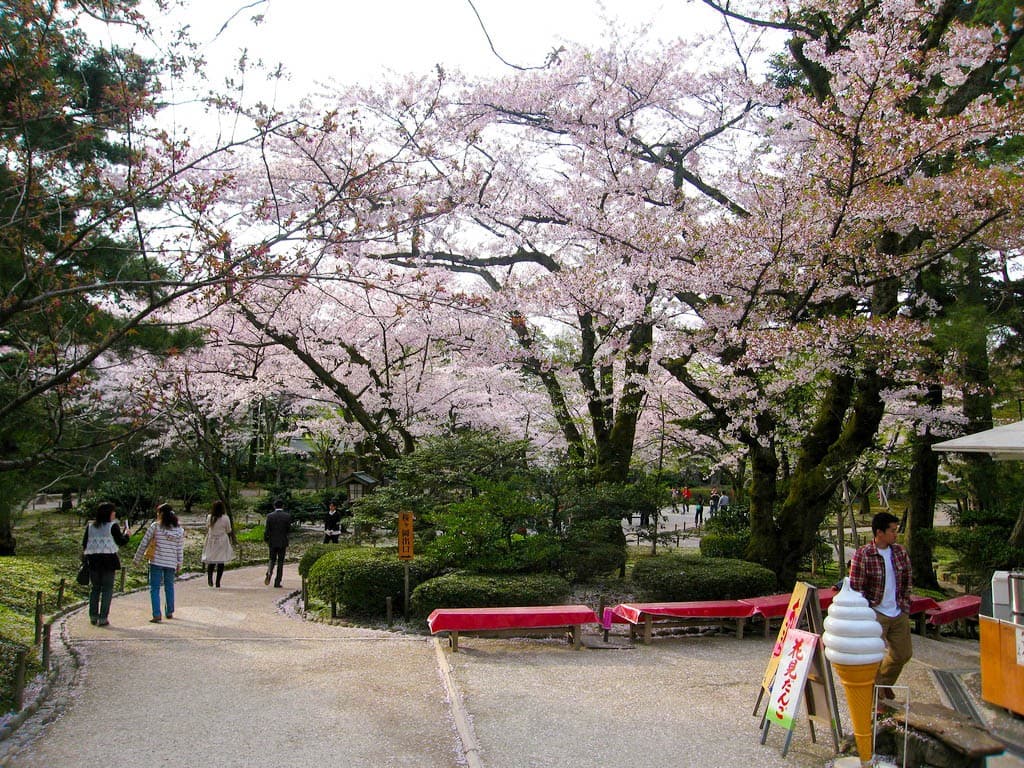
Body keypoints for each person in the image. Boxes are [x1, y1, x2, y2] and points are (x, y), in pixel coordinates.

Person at [849, 511, 912, 699]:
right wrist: (864, 614)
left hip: (898, 611)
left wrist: (905, 606)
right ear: (880, 532)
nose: (896, 534)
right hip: (875, 612)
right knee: (872, 658)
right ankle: (876, 699)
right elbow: (856, 588)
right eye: (892, 530)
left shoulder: (899, 552)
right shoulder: (864, 555)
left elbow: (908, 580)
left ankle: (883, 685)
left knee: (903, 654)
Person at [82, 501, 131, 626]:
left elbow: (84, 543)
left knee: (95, 589)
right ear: (109, 513)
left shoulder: (90, 526)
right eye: (113, 511)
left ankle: (93, 616)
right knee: (107, 589)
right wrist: (127, 535)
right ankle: (103, 617)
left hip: (93, 560)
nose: (114, 514)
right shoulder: (112, 526)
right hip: (109, 561)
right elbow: (120, 541)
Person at [134, 503, 185, 623]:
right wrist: (179, 563)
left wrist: (137, 558)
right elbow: (180, 548)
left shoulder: (155, 527)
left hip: (156, 561)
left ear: (161, 514)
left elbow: (144, 542)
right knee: (169, 587)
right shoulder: (179, 530)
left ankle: (157, 614)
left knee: (155, 588)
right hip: (171, 562)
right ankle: (170, 611)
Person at [202, 500, 236, 588]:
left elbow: (207, 526)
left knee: (211, 559)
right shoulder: (225, 518)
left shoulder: (210, 517)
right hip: (222, 540)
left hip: (211, 540)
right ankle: (218, 582)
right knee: (221, 561)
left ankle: (210, 579)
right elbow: (229, 530)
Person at [264, 499, 292, 587]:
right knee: (280, 562)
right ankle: (277, 581)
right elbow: (288, 529)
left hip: (272, 541)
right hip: (282, 541)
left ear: (274, 506)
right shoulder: (287, 516)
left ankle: (269, 572)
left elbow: (267, 530)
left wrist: (266, 539)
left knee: (271, 559)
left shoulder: (270, 516)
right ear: (282, 506)